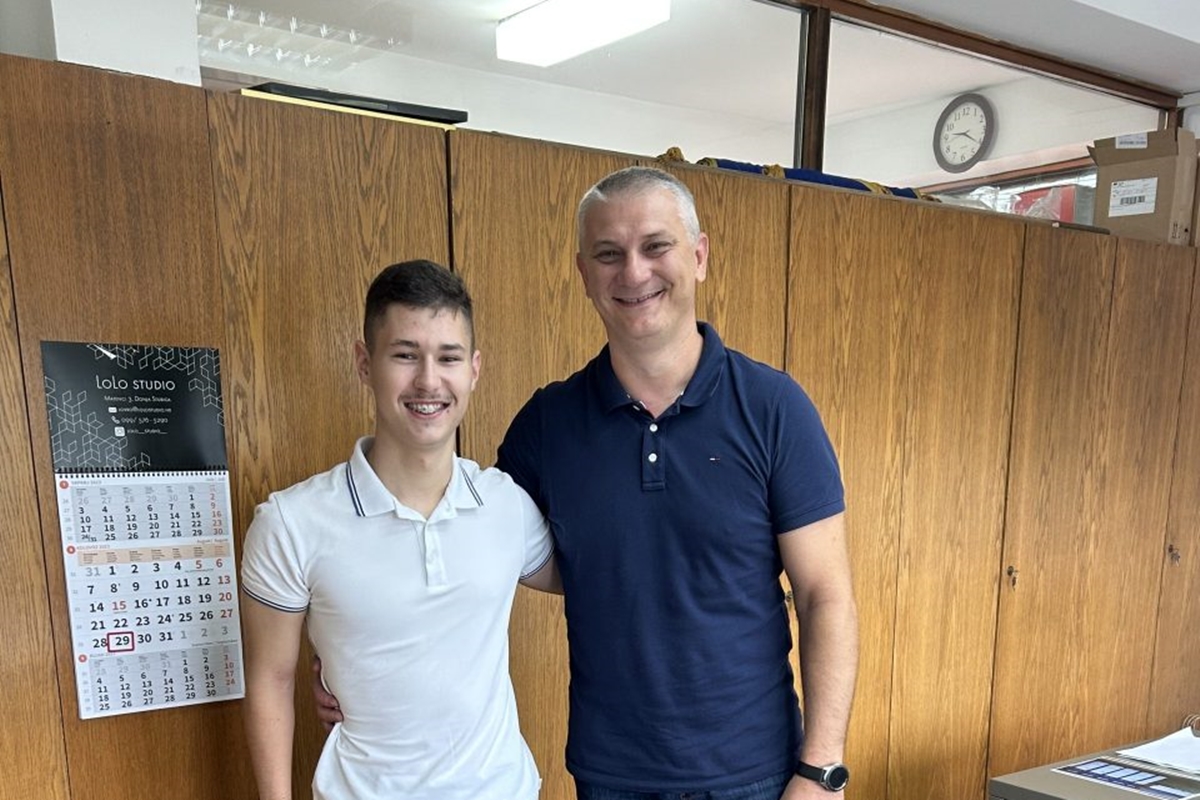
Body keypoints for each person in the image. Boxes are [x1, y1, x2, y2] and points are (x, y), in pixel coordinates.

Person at [317, 168, 859, 799]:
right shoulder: (547, 425)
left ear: (699, 256)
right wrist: (347, 653)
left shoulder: (774, 408)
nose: (633, 272)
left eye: (655, 246)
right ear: (583, 273)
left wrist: (821, 771)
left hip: (759, 774)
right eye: (608, 254)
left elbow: (825, 596)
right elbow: (452, 548)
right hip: (610, 776)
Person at [240, 259, 559, 800]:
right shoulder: (290, 523)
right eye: (405, 355)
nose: (429, 381)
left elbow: (595, 581)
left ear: (474, 370)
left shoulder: (506, 504)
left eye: (448, 357)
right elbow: (270, 678)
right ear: (365, 364)